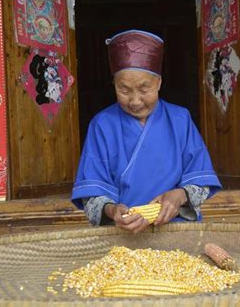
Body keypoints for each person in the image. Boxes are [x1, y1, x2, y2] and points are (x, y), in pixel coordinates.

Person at [72, 30, 221, 233]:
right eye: (124, 90)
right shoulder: (102, 125)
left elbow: (201, 183)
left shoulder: (180, 120)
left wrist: (179, 196)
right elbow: (91, 195)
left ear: (158, 83)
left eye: (144, 89)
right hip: (123, 235)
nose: (134, 101)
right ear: (114, 84)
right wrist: (112, 210)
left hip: (178, 231)